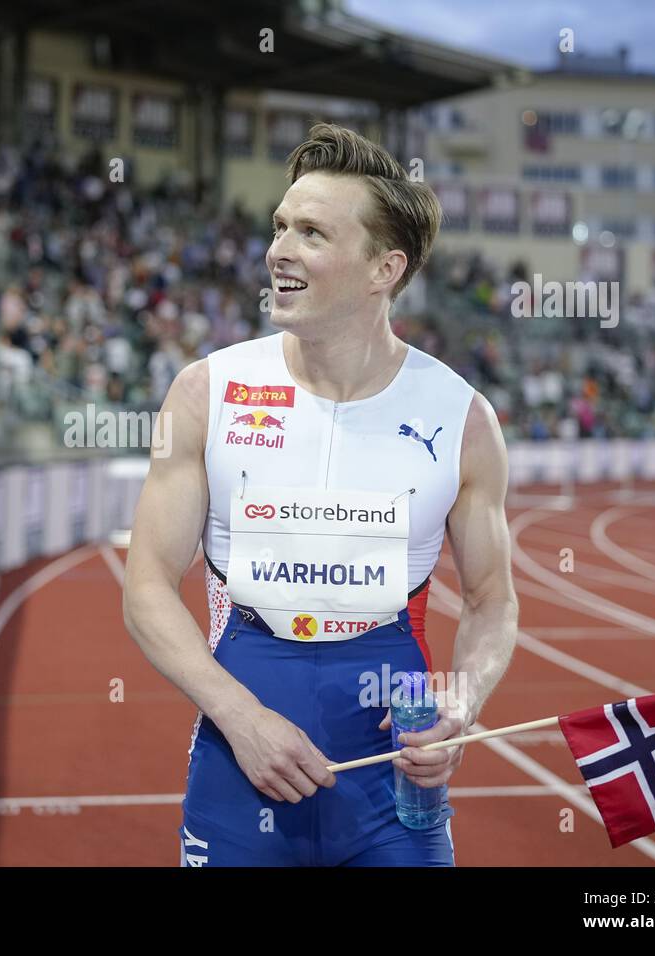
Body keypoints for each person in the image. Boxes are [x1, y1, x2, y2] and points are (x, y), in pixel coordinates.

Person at [122, 124, 518, 867]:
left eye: (311, 232)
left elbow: (493, 597)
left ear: (383, 268)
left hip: (390, 758)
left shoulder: (462, 417)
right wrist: (243, 719)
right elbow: (145, 587)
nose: (279, 250)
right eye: (279, 227)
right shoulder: (207, 392)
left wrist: (461, 706)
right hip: (244, 739)